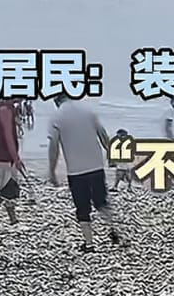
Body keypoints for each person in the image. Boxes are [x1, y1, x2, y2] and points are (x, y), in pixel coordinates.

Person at [48, 93, 122, 252]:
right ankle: (113, 228)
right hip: (96, 166)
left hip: (76, 170)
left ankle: (89, 244)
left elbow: (53, 146)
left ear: (57, 101)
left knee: (82, 207)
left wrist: (52, 170)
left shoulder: (56, 117)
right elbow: (104, 136)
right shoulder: (88, 111)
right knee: (101, 202)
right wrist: (112, 157)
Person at [0, 97, 25, 231]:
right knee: (8, 187)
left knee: (1, 186)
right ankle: (9, 220)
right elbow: (8, 135)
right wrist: (16, 158)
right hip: (4, 155)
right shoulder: (5, 110)